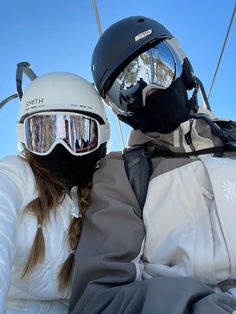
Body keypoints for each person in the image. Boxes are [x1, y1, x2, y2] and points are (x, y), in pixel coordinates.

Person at [69, 16, 236, 314]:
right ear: (120, 112)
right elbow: (99, 300)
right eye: (127, 89)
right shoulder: (123, 175)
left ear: (183, 67)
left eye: (159, 66)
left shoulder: (233, 142)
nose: (149, 91)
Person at [0, 71, 110, 313]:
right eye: (45, 135)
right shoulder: (15, 177)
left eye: (78, 135)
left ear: (100, 137)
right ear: (25, 138)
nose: (60, 147)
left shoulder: (105, 189)